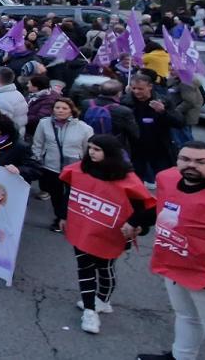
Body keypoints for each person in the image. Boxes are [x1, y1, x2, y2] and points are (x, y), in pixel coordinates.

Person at [59, 134, 155, 335]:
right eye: (90, 148)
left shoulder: (127, 179)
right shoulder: (79, 169)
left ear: (110, 153)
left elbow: (146, 208)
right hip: (82, 228)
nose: (92, 153)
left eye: (97, 149)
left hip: (109, 233)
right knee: (84, 268)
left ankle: (103, 300)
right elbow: (68, 194)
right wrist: (62, 215)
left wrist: (135, 224)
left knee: (104, 268)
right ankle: (89, 310)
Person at [137, 142, 205, 360]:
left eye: (201, 162)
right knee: (186, 316)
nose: (192, 165)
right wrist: (136, 222)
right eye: (185, 159)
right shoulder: (167, 178)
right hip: (174, 263)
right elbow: (162, 204)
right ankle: (181, 357)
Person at [32, 97, 94, 232]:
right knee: (55, 194)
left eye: (64, 108)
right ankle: (59, 217)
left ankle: (64, 218)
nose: (60, 111)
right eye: (57, 107)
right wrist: (37, 158)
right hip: (51, 166)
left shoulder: (84, 128)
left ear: (72, 110)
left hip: (74, 168)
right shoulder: (44, 123)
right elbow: (38, 143)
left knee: (71, 195)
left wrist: (85, 165)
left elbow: (87, 149)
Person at [124, 74, 183, 190]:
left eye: (140, 89)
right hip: (135, 148)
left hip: (159, 147)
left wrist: (163, 112)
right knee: (134, 181)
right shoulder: (126, 102)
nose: (136, 92)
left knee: (166, 179)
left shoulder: (163, 101)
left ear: (150, 86)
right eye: (133, 88)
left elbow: (180, 122)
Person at [0, 67, 28, 134]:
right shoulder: (18, 93)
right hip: (19, 133)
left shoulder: (0, 99)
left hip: (8, 138)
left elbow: (1, 124)